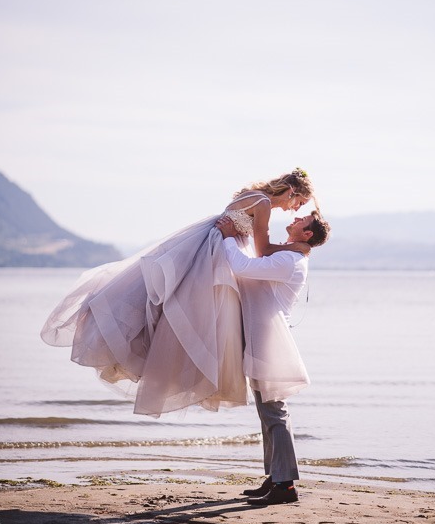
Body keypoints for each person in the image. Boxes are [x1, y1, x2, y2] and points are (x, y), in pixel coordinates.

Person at [41, 168, 317, 417]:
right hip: (217, 253)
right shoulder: (264, 203)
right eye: (299, 203)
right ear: (292, 192)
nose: (295, 209)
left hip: (208, 245)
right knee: (204, 318)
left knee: (178, 306)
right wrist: (299, 249)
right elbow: (263, 250)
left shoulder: (253, 195)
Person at [216, 211, 331, 505]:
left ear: (306, 234)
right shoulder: (288, 256)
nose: (294, 219)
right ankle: (276, 476)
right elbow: (256, 257)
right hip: (263, 337)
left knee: (274, 413)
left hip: (269, 340)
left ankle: (285, 486)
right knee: (269, 413)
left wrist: (229, 236)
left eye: (301, 220)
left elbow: (241, 267)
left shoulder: (288, 260)